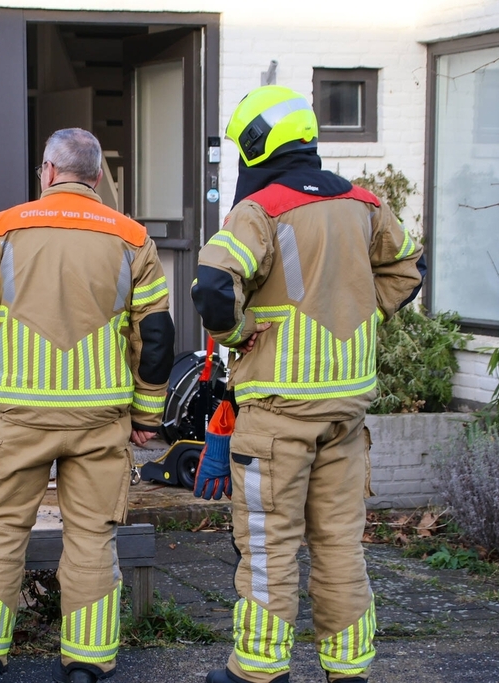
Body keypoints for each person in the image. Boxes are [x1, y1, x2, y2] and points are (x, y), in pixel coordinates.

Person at [191, 85, 425, 683]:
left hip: (276, 417)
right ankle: (348, 668)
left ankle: (258, 670)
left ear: (253, 145)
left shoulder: (259, 210)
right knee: (341, 546)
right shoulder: (366, 204)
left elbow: (214, 287)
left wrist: (243, 335)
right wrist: (365, 316)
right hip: (345, 416)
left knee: (270, 551)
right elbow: (408, 268)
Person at [0, 128, 175, 683]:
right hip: (100, 422)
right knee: (93, 538)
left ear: (47, 172)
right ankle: (87, 665)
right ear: (96, 178)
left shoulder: (2, 231)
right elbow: (157, 336)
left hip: (18, 419)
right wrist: (146, 415)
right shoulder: (132, 238)